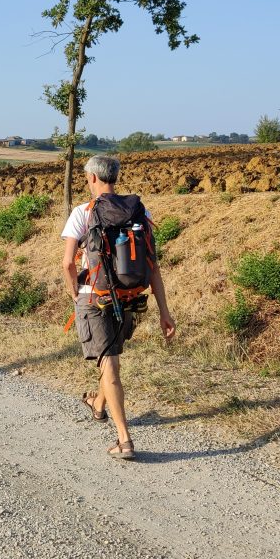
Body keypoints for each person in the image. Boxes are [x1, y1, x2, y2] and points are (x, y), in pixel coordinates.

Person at [61, 155, 176, 460]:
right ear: (115, 177)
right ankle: (98, 404)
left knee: (110, 365)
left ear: (92, 178)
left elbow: (66, 264)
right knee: (108, 358)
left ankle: (124, 440)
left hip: (95, 297)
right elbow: (153, 267)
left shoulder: (83, 213)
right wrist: (165, 312)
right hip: (132, 297)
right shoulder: (139, 211)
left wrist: (75, 294)